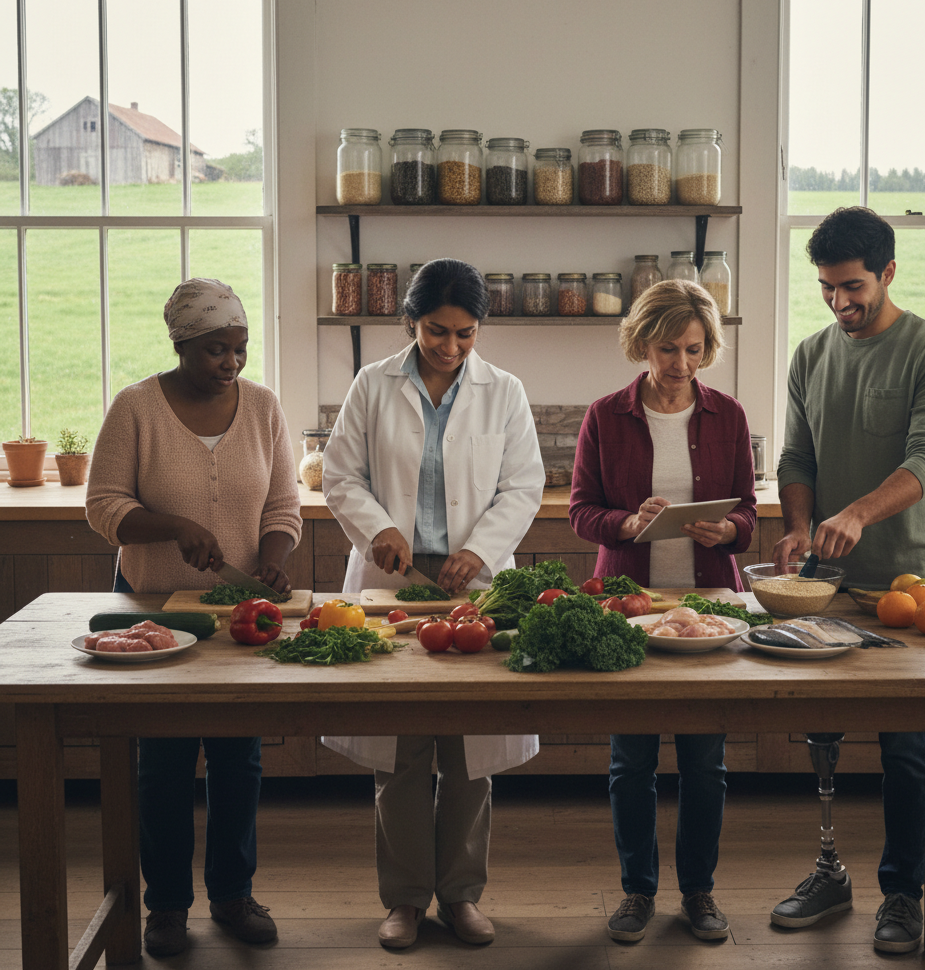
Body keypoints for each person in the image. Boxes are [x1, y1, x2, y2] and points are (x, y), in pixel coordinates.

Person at [320, 257, 545, 949]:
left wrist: (478, 550)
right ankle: (406, 900)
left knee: (469, 754)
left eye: (465, 335)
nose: (450, 347)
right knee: (402, 753)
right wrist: (380, 529)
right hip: (394, 584)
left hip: (470, 586)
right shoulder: (371, 384)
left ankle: (463, 895)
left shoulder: (502, 391)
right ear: (409, 320)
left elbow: (523, 486)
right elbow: (339, 474)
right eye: (436, 331)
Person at [770, 207, 925, 953]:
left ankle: (903, 896)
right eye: (826, 289)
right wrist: (797, 524)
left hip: (911, 589)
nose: (839, 303)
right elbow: (797, 458)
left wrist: (856, 512)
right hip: (824, 588)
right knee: (820, 737)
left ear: (888, 272)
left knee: (909, 754)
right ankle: (828, 873)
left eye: (852, 287)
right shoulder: (811, 354)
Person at [86, 277, 302, 958]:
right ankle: (167, 908)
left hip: (240, 617)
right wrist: (172, 526)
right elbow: (103, 506)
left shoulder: (264, 408)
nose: (231, 364)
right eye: (216, 350)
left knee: (240, 761)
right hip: (154, 620)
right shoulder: (135, 409)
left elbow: (283, 508)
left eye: (238, 349)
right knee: (165, 765)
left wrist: (271, 556)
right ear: (182, 345)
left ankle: (234, 896)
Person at [569, 280, 757, 946]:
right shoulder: (605, 415)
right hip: (630, 608)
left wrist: (728, 532)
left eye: (695, 349)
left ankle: (699, 892)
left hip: (710, 609)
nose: (681, 364)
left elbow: (748, 515)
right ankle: (637, 892)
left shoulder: (728, 416)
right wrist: (627, 521)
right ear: (641, 343)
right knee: (632, 763)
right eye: (668, 348)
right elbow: (581, 512)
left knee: (706, 763)